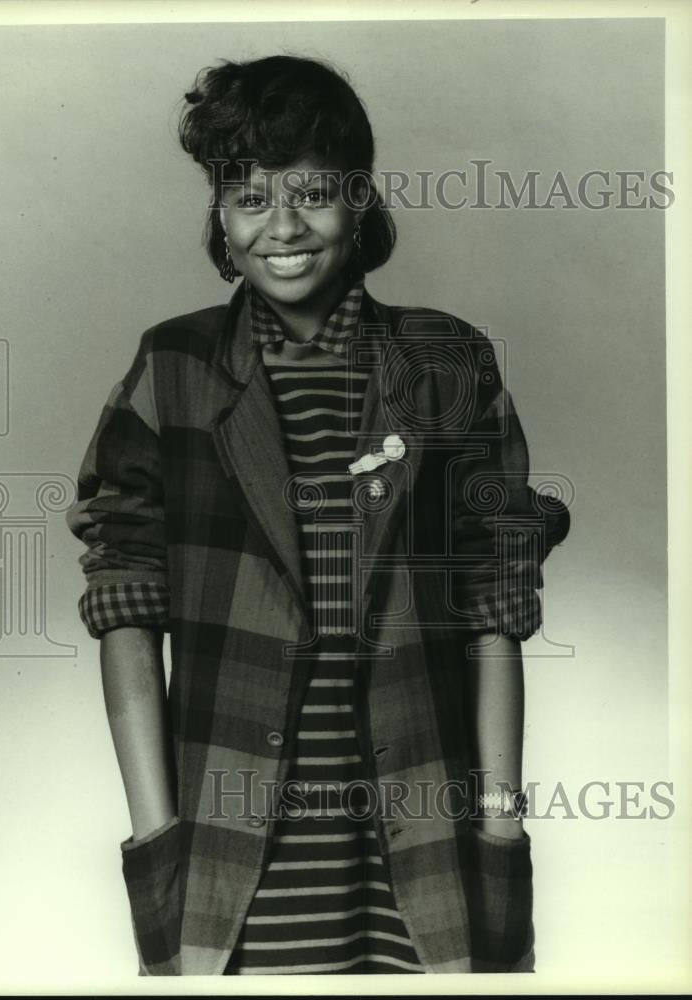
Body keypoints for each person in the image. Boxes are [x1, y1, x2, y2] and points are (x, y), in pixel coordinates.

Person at [66, 54, 570, 976]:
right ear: (220, 216)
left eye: (312, 194)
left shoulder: (443, 361)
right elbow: (125, 601)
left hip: (424, 835)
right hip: (232, 844)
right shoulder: (172, 369)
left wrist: (499, 824)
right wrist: (159, 833)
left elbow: (497, 595)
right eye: (250, 197)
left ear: (361, 201)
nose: (282, 227)